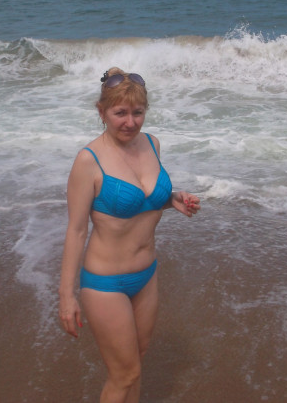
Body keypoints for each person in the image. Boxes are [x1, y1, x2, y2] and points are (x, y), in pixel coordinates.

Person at [58, 67, 201, 403]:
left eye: (138, 112)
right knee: (124, 374)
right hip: (105, 283)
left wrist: (171, 199)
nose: (130, 122)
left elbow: (145, 200)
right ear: (102, 112)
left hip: (147, 275)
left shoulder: (152, 144)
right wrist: (66, 296)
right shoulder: (88, 161)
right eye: (120, 113)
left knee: (137, 363)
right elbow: (76, 230)